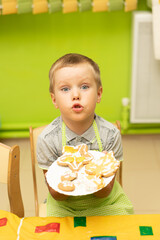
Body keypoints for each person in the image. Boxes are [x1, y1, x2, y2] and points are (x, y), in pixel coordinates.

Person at [37, 53, 134, 217]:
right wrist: (72, 169)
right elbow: (57, 195)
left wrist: (101, 167)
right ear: (54, 100)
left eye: (84, 86)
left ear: (99, 94)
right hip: (64, 207)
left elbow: (104, 192)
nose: (76, 95)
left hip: (106, 202)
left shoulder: (110, 135)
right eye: (65, 89)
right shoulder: (48, 140)